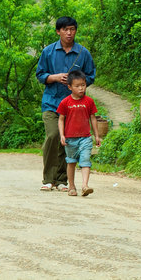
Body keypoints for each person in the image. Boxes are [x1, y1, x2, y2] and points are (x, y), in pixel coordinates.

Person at [36, 16, 95, 191]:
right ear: (58, 31)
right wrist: (54, 77)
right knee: (54, 135)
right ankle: (48, 178)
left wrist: (76, 83)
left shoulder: (83, 53)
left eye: (72, 29)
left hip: (74, 106)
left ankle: (62, 180)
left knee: (67, 142)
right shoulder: (48, 51)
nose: (69, 33)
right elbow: (40, 75)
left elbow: (90, 76)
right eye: (65, 30)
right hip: (51, 103)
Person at [58, 70, 101, 196]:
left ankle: (85, 186)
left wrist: (96, 135)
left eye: (83, 85)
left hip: (86, 138)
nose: (81, 88)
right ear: (70, 87)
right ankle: (71, 186)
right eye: (77, 86)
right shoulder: (65, 102)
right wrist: (62, 135)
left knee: (85, 161)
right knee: (71, 162)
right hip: (70, 139)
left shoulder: (89, 101)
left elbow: (93, 118)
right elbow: (61, 119)